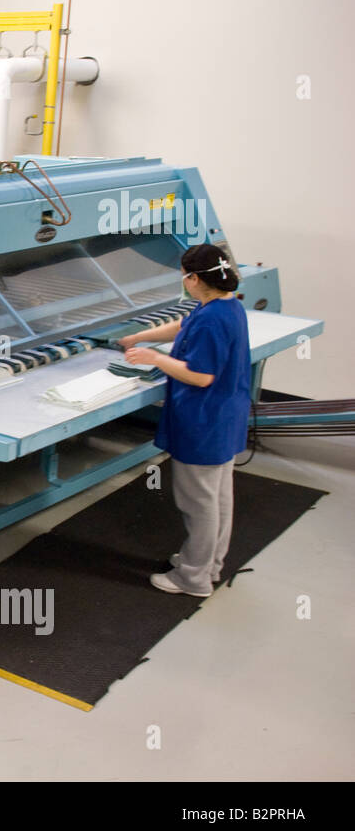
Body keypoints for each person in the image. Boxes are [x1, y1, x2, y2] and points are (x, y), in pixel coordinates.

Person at [118, 244, 252, 597]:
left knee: (198, 504)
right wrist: (139, 336)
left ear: (193, 279)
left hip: (204, 422)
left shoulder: (212, 319)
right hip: (225, 416)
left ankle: (192, 579)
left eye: (183, 276)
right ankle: (209, 564)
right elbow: (184, 326)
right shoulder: (227, 305)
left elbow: (201, 375)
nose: (183, 281)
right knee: (218, 498)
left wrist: (154, 358)